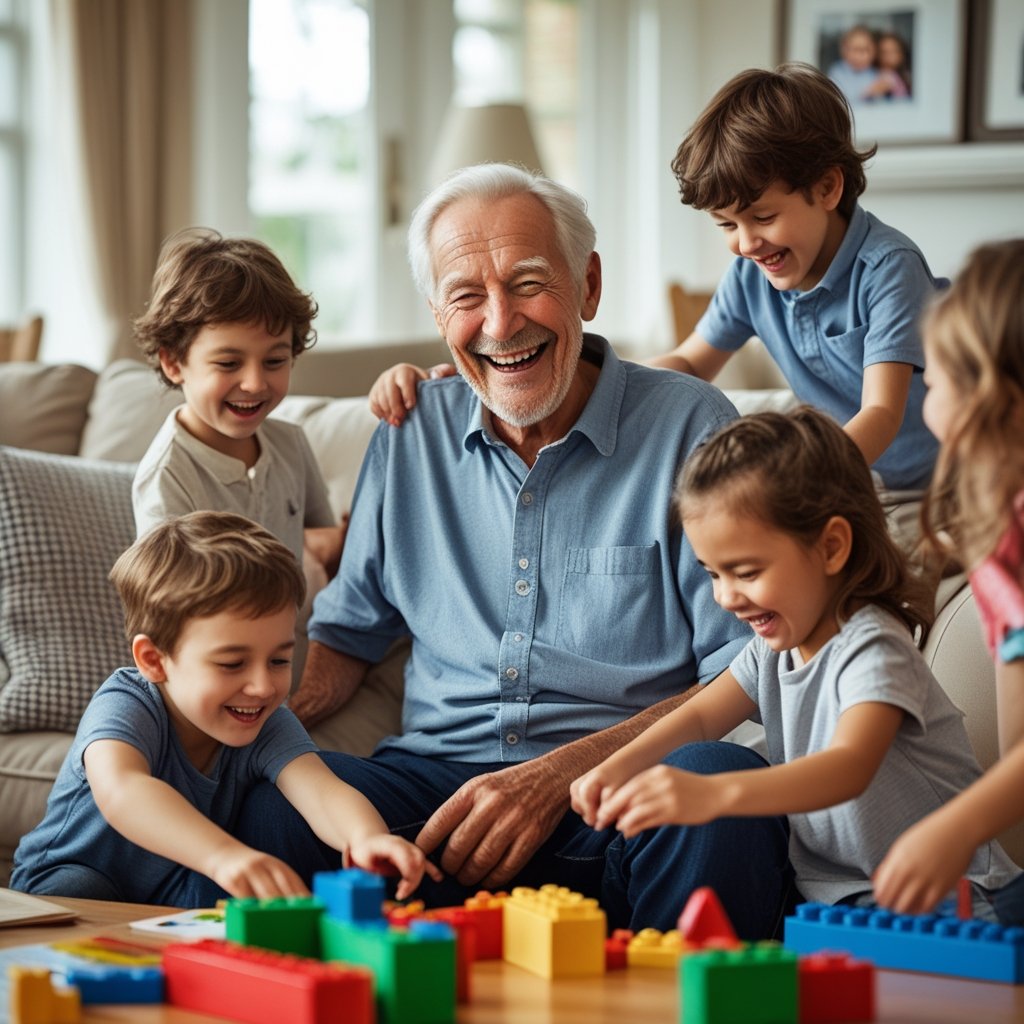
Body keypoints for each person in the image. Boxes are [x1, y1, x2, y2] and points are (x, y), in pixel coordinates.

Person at [242, 163, 794, 938]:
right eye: (467, 296)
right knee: (276, 800)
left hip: (616, 792)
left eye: (529, 283)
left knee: (722, 793)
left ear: (588, 285)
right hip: (433, 812)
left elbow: (745, 667)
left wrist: (557, 776)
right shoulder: (409, 433)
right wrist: (234, 733)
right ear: (439, 314)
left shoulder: (692, 428)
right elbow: (345, 638)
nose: (500, 323)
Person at [368, 65, 942, 529]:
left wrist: (799, 481)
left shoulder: (887, 268)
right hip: (851, 483)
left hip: (930, 483)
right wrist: (601, 394)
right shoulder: (753, 275)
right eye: (726, 226)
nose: (745, 243)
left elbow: (882, 412)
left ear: (827, 188)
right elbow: (691, 363)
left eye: (762, 217)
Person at [571, 407, 1021, 919]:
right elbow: (697, 717)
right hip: (841, 908)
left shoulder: (873, 648)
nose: (726, 597)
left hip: (957, 901)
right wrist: (612, 768)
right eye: (713, 575)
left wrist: (714, 794)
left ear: (831, 547)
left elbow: (848, 767)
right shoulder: (772, 650)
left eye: (744, 571)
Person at [10, 512, 440, 906]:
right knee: (82, 890)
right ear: (154, 660)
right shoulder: (128, 702)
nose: (262, 685)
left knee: (233, 902)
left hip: (174, 890)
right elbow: (123, 791)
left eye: (279, 660)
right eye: (231, 664)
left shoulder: (267, 722)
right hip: (71, 879)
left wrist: (366, 838)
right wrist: (224, 856)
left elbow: (322, 791)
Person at [874, 239, 1024, 920]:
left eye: (931, 380)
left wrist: (955, 827)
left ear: (988, 395)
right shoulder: (1001, 545)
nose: (923, 388)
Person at [132, 228, 345, 585]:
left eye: (274, 361)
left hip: (302, 637)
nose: (255, 383)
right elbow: (174, 609)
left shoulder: (291, 444)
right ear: (173, 363)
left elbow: (330, 548)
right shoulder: (167, 476)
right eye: (229, 364)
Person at [827, 25, 880, 105]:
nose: (860, 56)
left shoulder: (875, 73)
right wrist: (868, 93)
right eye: (855, 50)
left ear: (874, 52)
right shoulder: (837, 73)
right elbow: (840, 102)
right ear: (844, 50)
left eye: (865, 50)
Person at [874, 31, 911, 100]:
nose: (888, 57)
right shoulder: (876, 76)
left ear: (901, 55)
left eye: (893, 52)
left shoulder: (907, 77)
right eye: (884, 52)